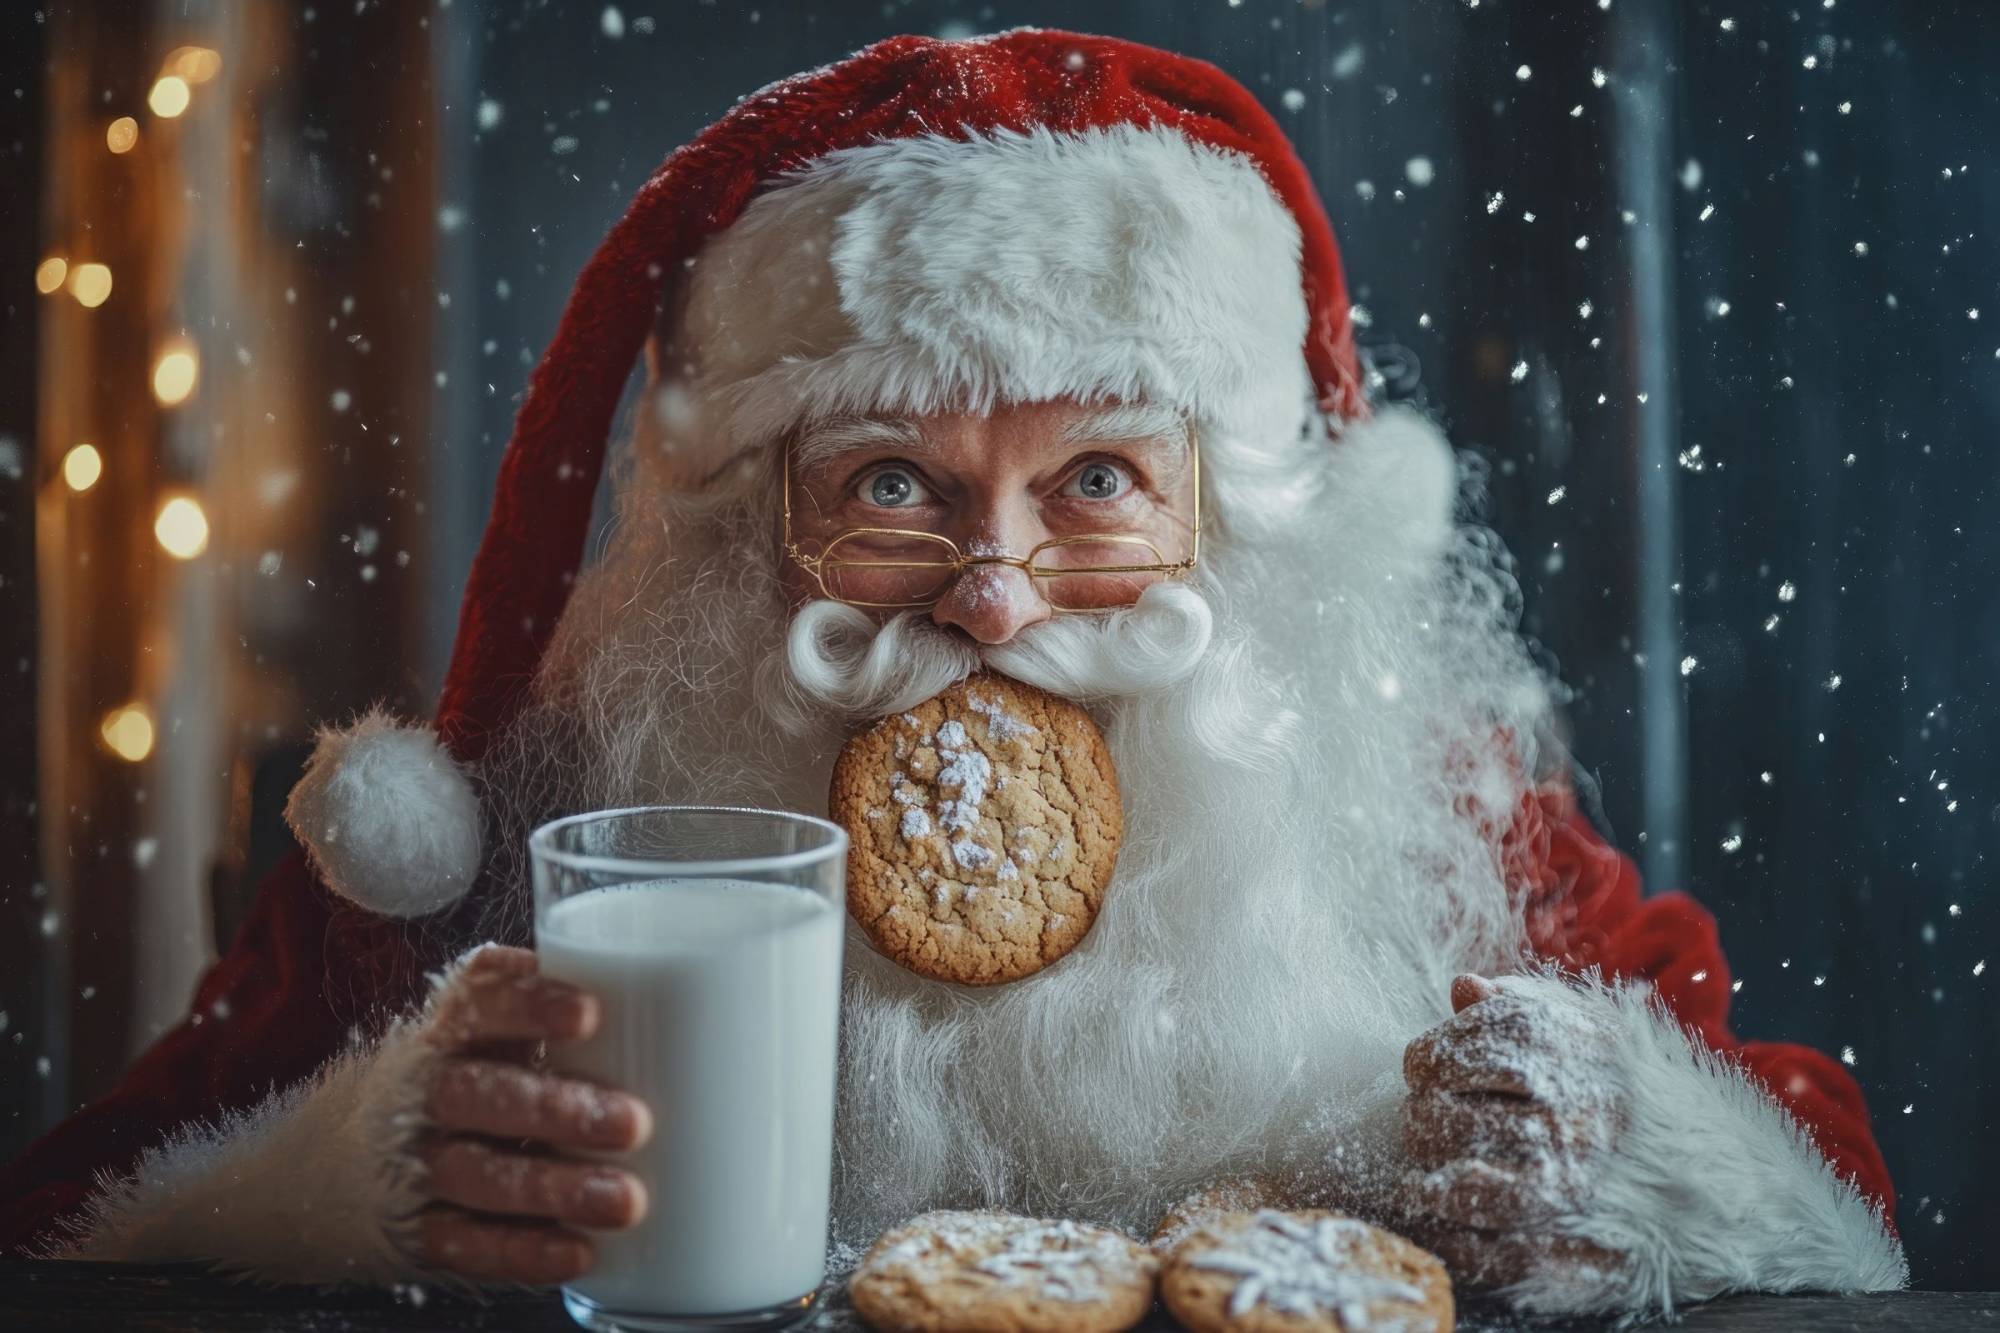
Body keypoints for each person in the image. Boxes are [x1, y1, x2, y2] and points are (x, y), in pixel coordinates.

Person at [0, 29, 1902, 1313]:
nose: (994, 599)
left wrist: (1647, 1175)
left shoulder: (1444, 821)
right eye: (895, 482)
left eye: (1094, 482)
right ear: (759, 514)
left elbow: (1846, 1195)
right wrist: (356, 1177)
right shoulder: (524, 844)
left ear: (1224, 511)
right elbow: (81, 1205)